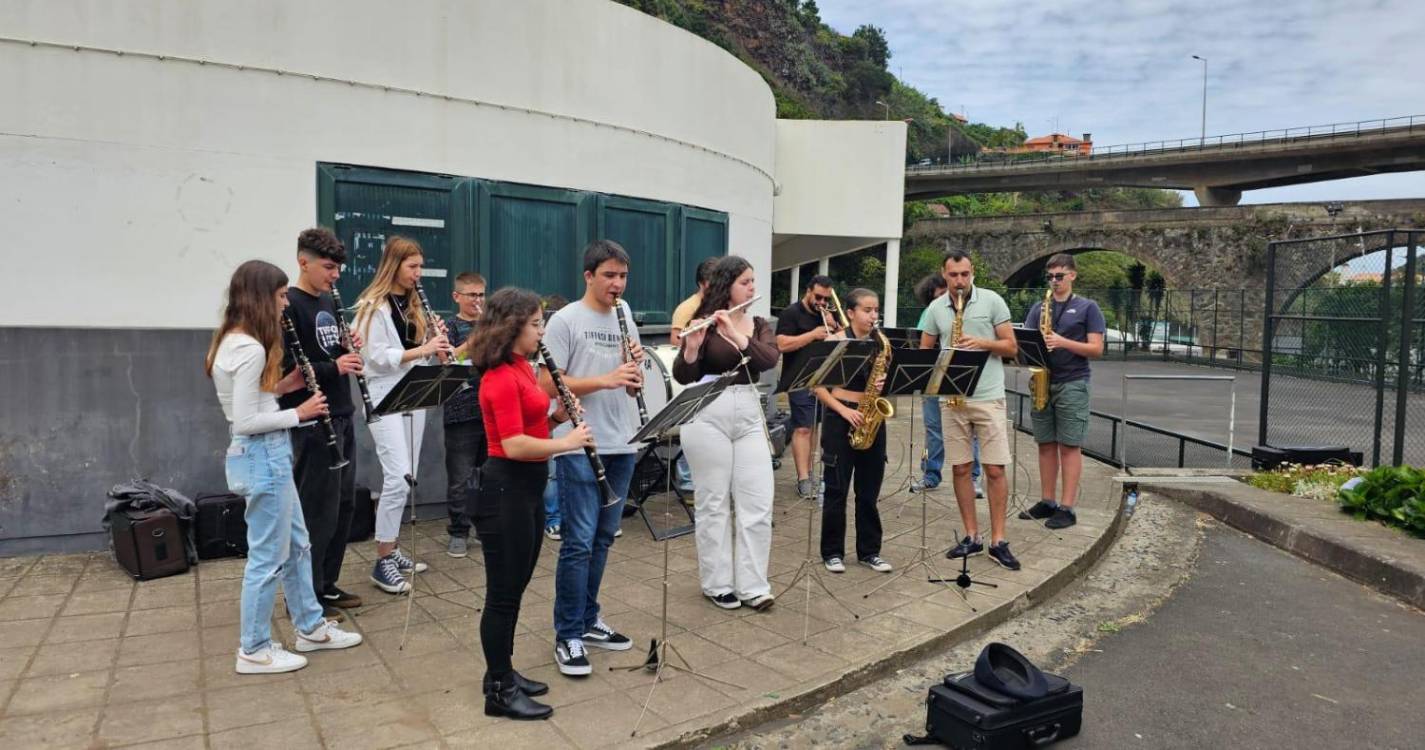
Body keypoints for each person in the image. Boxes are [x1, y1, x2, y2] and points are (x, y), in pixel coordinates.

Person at [205, 260, 363, 674]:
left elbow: (254, 397)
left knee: (298, 544)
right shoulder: (250, 348)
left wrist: (285, 387)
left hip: (266, 454)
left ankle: (310, 626)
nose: (284, 303)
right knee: (267, 558)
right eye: (278, 296)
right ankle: (254, 649)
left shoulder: (235, 340)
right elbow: (245, 420)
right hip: (262, 454)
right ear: (261, 298)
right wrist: (301, 412)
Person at [466, 287, 593, 720]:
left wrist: (557, 419)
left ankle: (503, 671)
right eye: (536, 324)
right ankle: (499, 692)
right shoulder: (499, 377)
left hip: (527, 489)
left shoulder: (522, 366)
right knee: (502, 595)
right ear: (512, 326)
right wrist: (569, 442)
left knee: (515, 588)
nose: (542, 331)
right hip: (505, 491)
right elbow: (513, 445)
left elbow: (532, 425)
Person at [539, 240, 642, 676]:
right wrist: (606, 378)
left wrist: (633, 377)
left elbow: (630, 386)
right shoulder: (566, 320)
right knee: (578, 542)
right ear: (588, 276)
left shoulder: (626, 313)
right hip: (580, 440)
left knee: (603, 539)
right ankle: (567, 634)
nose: (617, 284)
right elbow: (547, 383)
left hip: (623, 440)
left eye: (623, 276)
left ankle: (587, 618)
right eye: (609, 275)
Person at [674, 255, 781, 611]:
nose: (752, 287)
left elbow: (768, 359)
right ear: (727, 286)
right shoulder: (702, 321)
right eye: (745, 282)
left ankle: (754, 586)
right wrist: (692, 348)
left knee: (757, 501)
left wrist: (735, 334)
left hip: (748, 411)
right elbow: (684, 376)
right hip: (707, 412)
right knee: (714, 502)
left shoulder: (759, 324)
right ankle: (717, 584)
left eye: (752, 281)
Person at [354, 236, 453, 594]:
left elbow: (419, 355)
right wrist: (425, 349)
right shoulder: (372, 306)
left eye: (420, 266)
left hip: (414, 393)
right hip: (384, 396)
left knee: (407, 477)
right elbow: (377, 358)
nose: (418, 273)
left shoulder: (413, 305)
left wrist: (436, 349)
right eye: (412, 266)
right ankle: (382, 560)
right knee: (396, 477)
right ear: (394, 265)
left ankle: (392, 548)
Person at [278, 228, 365, 621]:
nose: (335, 275)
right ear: (304, 262)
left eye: (338, 268)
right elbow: (285, 372)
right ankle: (305, 596)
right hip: (312, 419)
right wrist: (336, 365)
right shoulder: (289, 305)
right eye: (328, 267)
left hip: (341, 413)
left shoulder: (330, 301)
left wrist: (349, 347)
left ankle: (326, 583)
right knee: (316, 512)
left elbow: (332, 351)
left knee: (343, 507)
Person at [919, 250, 1022, 571]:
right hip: (952, 400)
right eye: (953, 275)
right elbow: (924, 352)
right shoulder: (936, 308)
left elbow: (1011, 347)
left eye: (964, 274)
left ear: (972, 272)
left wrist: (981, 343)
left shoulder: (992, 301)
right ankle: (972, 536)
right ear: (944, 274)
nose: (960, 281)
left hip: (988, 397)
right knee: (961, 469)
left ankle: (999, 540)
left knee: (995, 470)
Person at [1018, 254, 1105, 530]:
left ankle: (1067, 508)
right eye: (1050, 277)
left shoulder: (1088, 307)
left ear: (1072, 275)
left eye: (1059, 276)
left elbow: (1096, 349)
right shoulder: (1038, 308)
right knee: (1045, 444)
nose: (1054, 281)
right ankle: (1047, 501)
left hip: (1073, 382)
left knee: (1069, 445)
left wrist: (1061, 341)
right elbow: (1025, 344)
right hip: (1043, 382)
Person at [812, 288, 893, 575]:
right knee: (837, 489)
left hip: (871, 417)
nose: (873, 315)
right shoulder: (835, 342)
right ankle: (832, 552)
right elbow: (817, 386)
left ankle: (870, 551)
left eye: (876, 310)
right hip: (841, 415)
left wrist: (885, 384)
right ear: (850, 312)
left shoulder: (880, 344)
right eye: (867, 310)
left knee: (869, 491)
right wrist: (843, 411)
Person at [913, 274, 983, 497]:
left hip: (960, 377)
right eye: (940, 294)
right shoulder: (931, 312)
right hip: (934, 377)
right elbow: (923, 346)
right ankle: (930, 475)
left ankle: (973, 478)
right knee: (934, 429)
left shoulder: (969, 311)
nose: (946, 297)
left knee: (969, 430)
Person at [776, 274, 842, 499]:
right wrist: (812, 335)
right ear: (808, 291)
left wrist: (835, 326)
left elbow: (844, 341)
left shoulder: (828, 314)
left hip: (823, 378)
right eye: (818, 297)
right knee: (802, 427)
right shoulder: (791, 313)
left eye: (826, 299)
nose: (822, 303)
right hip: (799, 378)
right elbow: (782, 344)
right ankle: (803, 478)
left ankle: (810, 472)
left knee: (813, 426)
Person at [443, 271, 488, 558]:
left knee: (488, 474)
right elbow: (448, 360)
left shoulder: (491, 324)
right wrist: (473, 342)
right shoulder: (448, 327)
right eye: (472, 295)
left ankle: (485, 526)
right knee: (460, 477)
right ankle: (459, 531)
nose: (478, 300)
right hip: (460, 410)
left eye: (481, 295)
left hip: (491, 409)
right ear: (456, 296)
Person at [539, 294, 569, 542]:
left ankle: (562, 516)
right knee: (550, 471)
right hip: (544, 410)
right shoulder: (535, 347)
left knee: (560, 470)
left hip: (560, 412)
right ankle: (552, 518)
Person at [669, 256, 719, 345]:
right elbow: (675, 342)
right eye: (713, 283)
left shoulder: (724, 304)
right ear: (701, 283)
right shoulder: (686, 308)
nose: (717, 287)